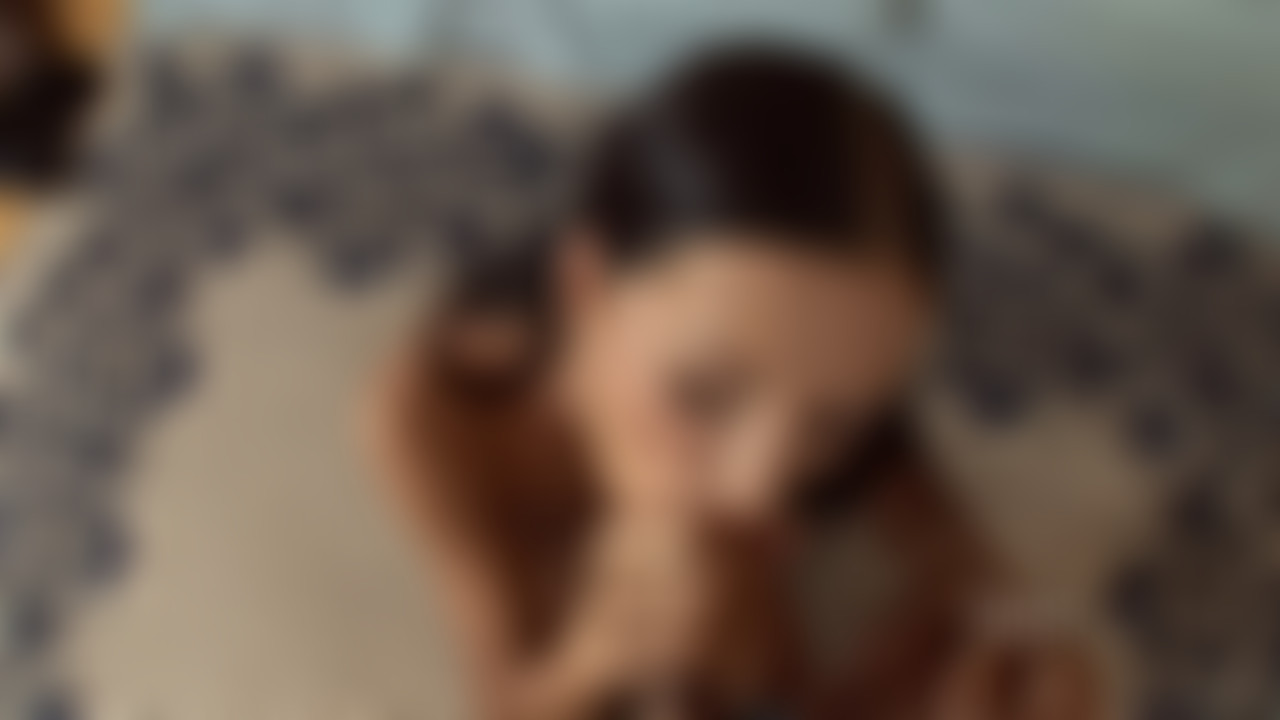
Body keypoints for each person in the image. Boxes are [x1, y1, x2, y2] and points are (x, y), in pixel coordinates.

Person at [364, 43, 1097, 720]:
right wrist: (593, 662)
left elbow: (969, 569)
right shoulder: (442, 416)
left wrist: (1013, 645)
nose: (758, 491)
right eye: (703, 395)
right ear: (588, 289)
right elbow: (501, 691)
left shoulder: (820, 420)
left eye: (834, 423)